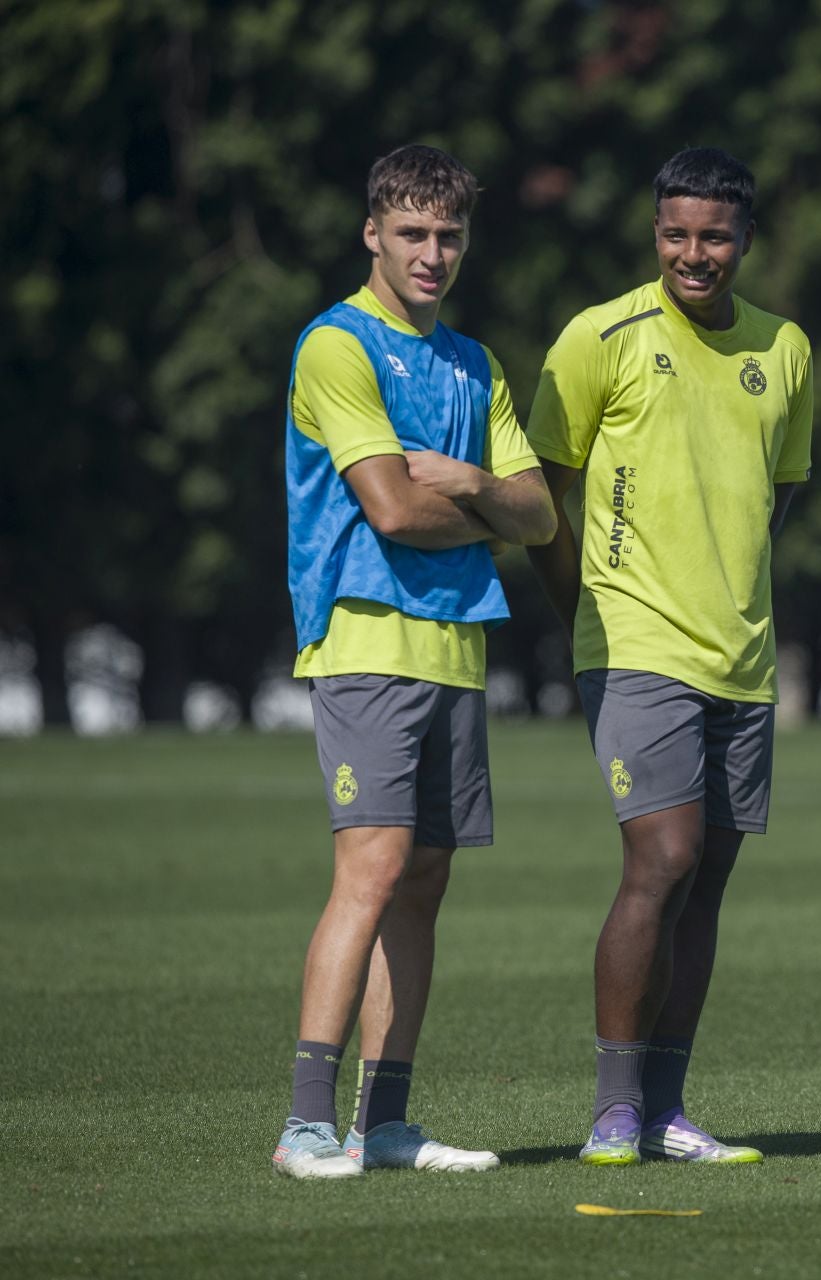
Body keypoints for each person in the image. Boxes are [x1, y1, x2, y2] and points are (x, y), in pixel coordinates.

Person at [524, 147, 812, 1166]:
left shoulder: (786, 348)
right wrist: (584, 611)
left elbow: (775, 494)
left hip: (742, 655)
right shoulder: (597, 335)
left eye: (717, 235)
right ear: (657, 234)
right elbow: (538, 497)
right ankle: (611, 1107)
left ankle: (667, 1108)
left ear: (745, 238)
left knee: (709, 879)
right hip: (635, 642)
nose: (697, 253)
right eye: (678, 234)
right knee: (665, 856)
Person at [276, 144, 556, 1178]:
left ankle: (382, 1120)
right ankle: (306, 1121)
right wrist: (482, 508)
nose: (433, 253)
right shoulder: (336, 346)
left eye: (449, 235)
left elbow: (539, 511)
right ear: (373, 235)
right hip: (364, 635)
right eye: (412, 234)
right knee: (375, 864)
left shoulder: (475, 364)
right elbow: (390, 505)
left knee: (425, 880)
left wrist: (475, 481)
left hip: (455, 645)